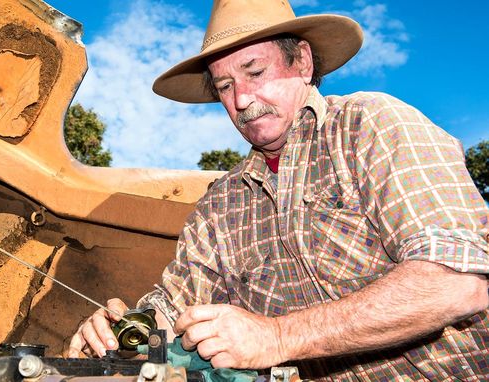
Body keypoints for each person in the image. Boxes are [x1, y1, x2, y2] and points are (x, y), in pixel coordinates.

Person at [68, 0, 489, 379]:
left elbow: (456, 284)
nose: (243, 100)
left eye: (255, 71)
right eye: (225, 86)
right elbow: (173, 306)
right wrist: (124, 332)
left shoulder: (371, 125)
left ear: (303, 62)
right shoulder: (220, 205)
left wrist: (276, 337)